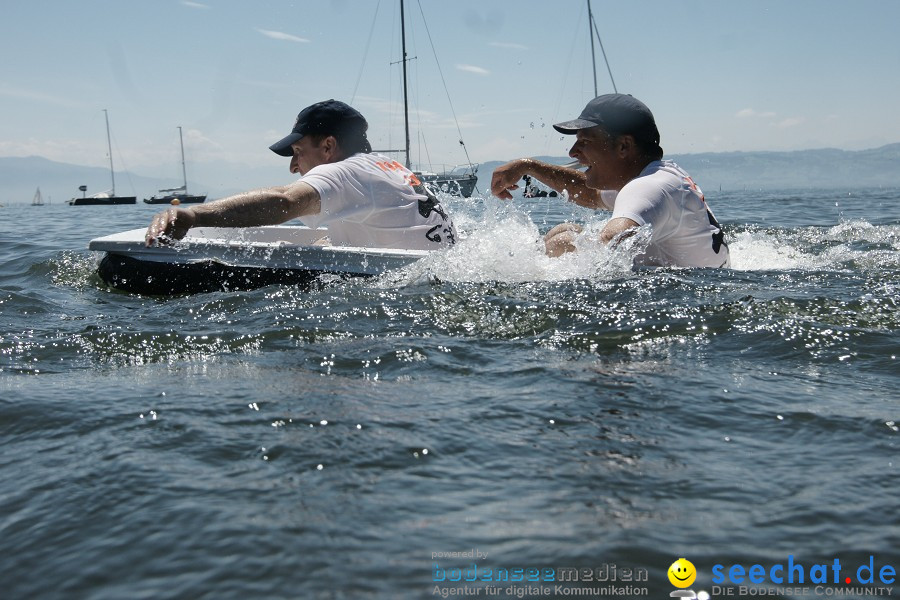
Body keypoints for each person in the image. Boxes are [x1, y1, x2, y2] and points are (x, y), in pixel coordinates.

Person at [145, 99, 456, 250]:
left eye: (297, 152)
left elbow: (284, 202)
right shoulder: (387, 168)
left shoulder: (345, 172)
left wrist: (192, 216)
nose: (294, 167)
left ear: (328, 146)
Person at [491, 94, 728, 268]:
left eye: (584, 141)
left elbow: (610, 242)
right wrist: (528, 166)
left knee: (563, 241)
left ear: (624, 146)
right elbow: (588, 193)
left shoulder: (648, 187)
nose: (573, 152)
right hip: (700, 288)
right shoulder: (661, 177)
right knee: (565, 230)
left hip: (688, 306)